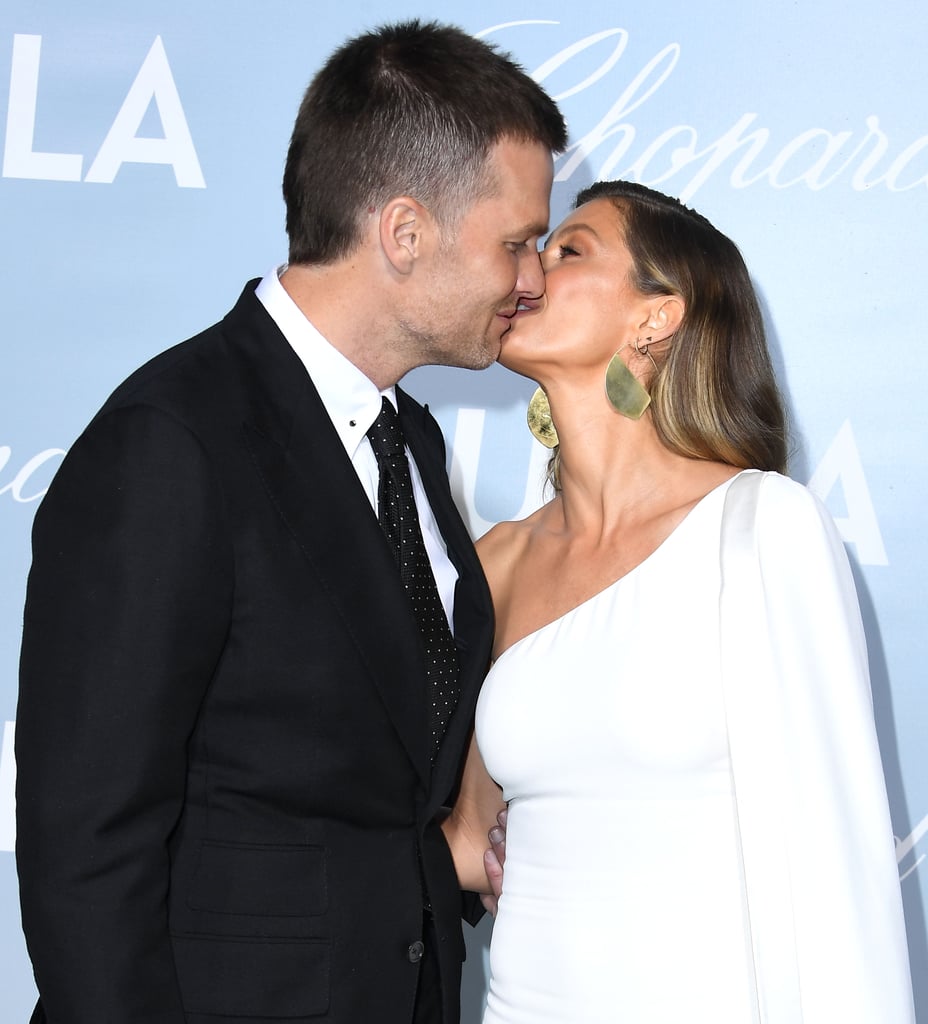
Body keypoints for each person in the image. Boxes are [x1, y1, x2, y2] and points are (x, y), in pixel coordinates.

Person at [15, 20, 566, 1024]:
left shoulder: (408, 443)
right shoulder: (172, 442)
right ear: (403, 233)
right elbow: (85, 842)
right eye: (516, 241)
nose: (532, 278)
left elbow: (363, 794)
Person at [442, 180, 915, 1023]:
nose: (529, 270)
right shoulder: (498, 562)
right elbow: (467, 844)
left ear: (657, 316)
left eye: (568, 250)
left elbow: (835, 869)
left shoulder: (762, 528)